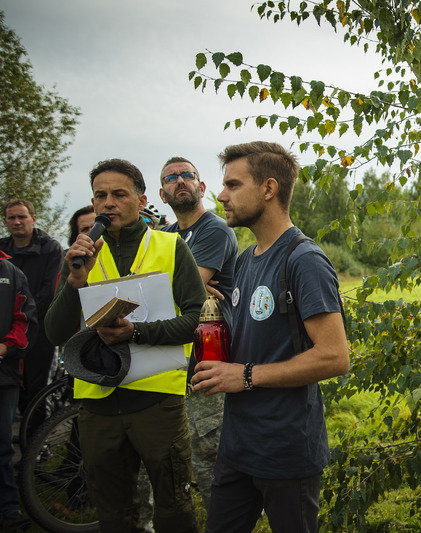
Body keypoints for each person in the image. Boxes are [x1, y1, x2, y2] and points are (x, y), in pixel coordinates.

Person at [191, 141, 350, 532]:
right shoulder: (246, 260)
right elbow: (254, 334)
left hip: (285, 451)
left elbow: (334, 357)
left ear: (269, 188)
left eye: (232, 184)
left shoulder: (304, 259)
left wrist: (243, 376)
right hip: (237, 445)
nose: (221, 196)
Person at [44, 158, 206, 533]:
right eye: (100, 196)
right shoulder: (79, 258)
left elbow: (197, 321)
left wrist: (136, 333)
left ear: (141, 199)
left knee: (173, 506)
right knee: (113, 511)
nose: (108, 203)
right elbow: (54, 334)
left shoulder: (170, 247)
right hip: (97, 404)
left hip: (157, 402)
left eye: (119, 194)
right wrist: (74, 282)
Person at [159, 156, 238, 508]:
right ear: (163, 194)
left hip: (209, 355)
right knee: (176, 447)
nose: (180, 181)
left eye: (187, 175)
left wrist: (180, 288)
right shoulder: (164, 236)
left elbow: (185, 292)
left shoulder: (213, 229)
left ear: (201, 187)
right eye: (171, 178)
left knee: (209, 451)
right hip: (172, 353)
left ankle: (226, 517)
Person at [0, 199, 63, 422]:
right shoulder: (2, 250)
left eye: (22, 217)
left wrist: (26, 317)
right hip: (8, 333)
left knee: (37, 389)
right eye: (11, 218)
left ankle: (37, 447)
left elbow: (50, 290)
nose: (17, 222)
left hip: (40, 331)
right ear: (5, 221)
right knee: (12, 388)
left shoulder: (50, 248)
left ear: (33, 219)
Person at [0, 251, 36, 531]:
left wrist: (5, 347)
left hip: (4, 373)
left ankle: (8, 509)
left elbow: (25, 320)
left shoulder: (12, 273)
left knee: (2, 446)